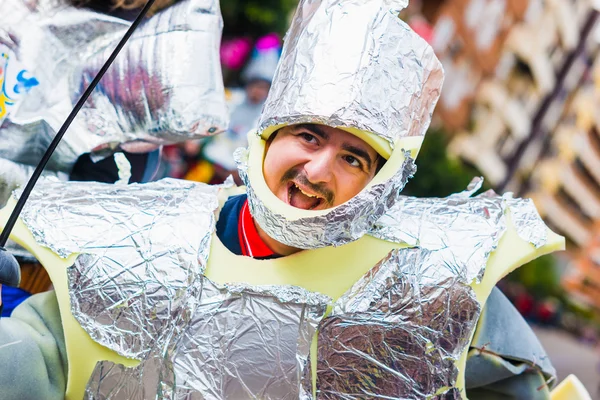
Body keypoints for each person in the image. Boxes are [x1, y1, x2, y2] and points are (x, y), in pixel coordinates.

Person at [0, 0, 575, 399]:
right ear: (268, 135)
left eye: (354, 158)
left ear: (382, 181)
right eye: (309, 136)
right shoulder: (140, 236)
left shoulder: (437, 287)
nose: (318, 170)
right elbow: (35, 355)